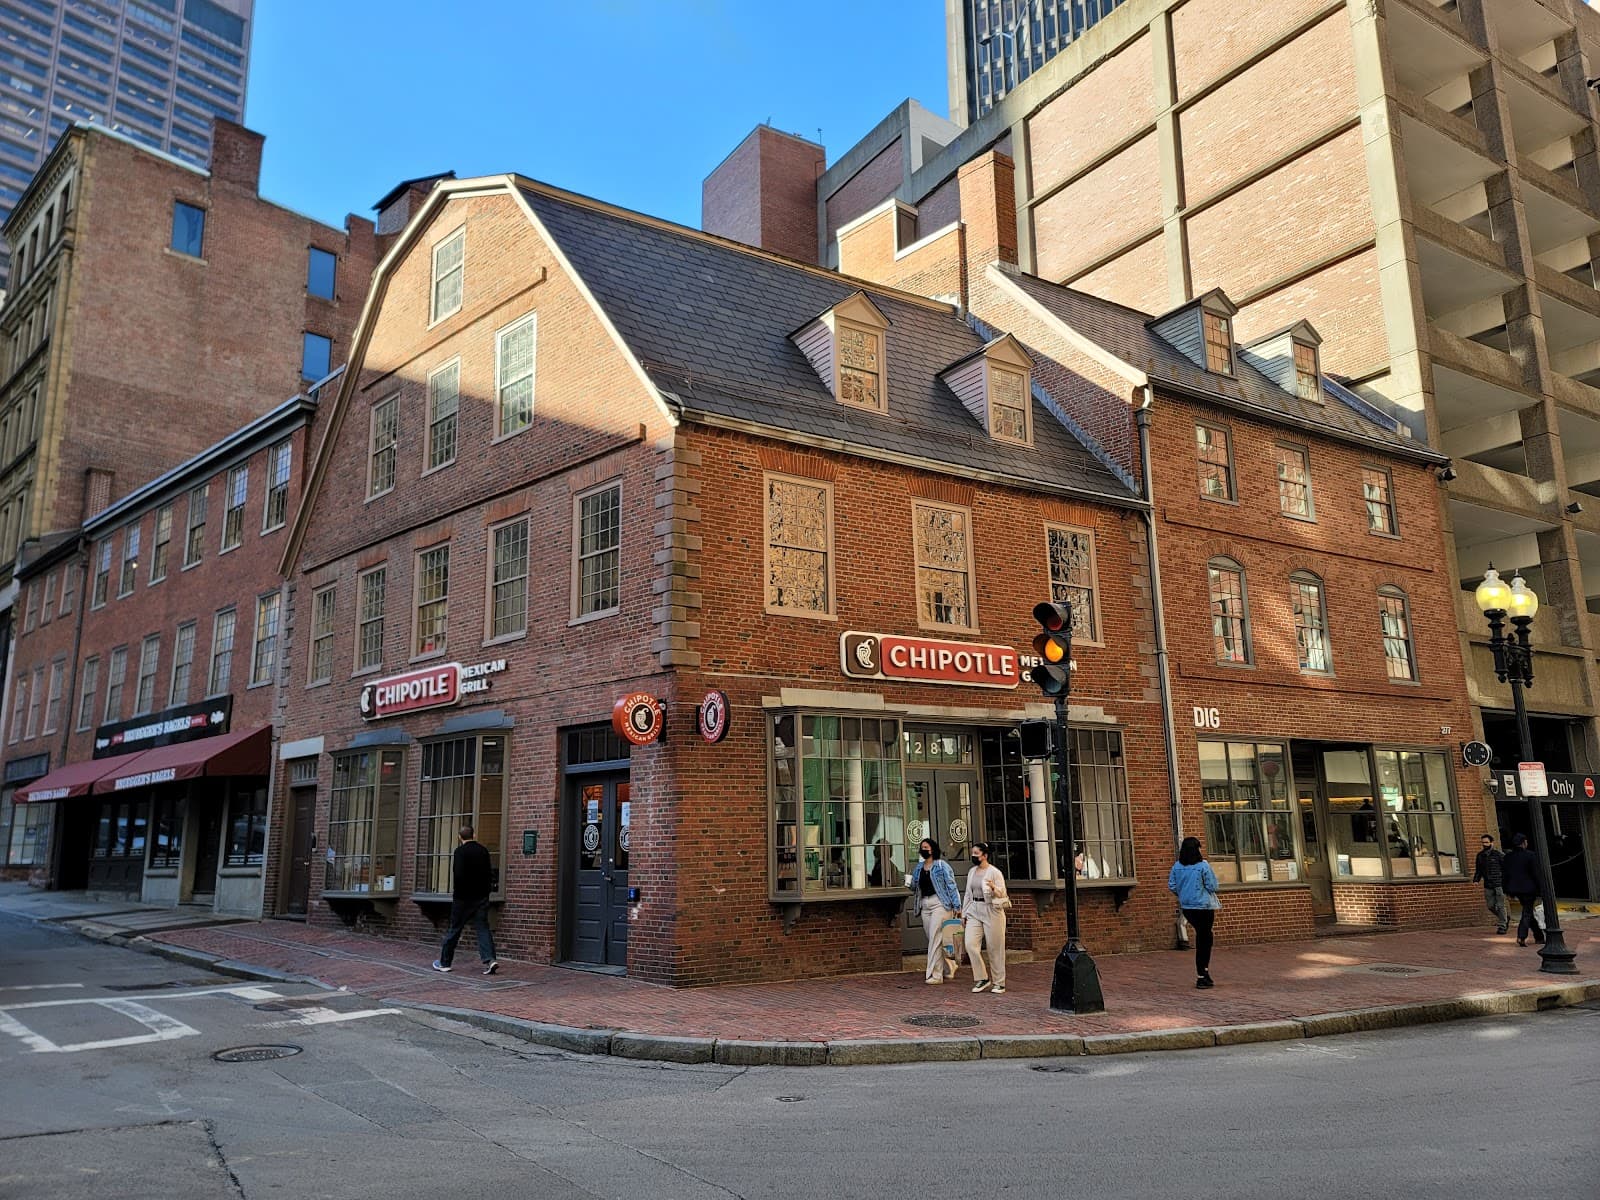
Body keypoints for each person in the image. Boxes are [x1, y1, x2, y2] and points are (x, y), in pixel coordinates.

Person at [432, 824, 499, 975]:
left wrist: (459, 894)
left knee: (454, 929)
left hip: (463, 898)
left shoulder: (460, 852)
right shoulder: (483, 851)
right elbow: (489, 873)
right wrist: (486, 892)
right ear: (474, 835)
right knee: (483, 928)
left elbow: (458, 875)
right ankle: (490, 959)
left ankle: (444, 962)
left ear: (460, 837)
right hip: (481, 897)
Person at [1167, 836, 1221, 989]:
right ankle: (1202, 974)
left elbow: (1172, 885)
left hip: (1188, 908)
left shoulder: (1177, 866)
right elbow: (1212, 886)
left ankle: (1204, 973)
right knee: (1205, 939)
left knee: (1203, 937)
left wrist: (1184, 894)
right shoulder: (1203, 866)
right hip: (1203, 906)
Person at [906, 837, 961, 984]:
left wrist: (957, 906)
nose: (924, 849)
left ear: (933, 849)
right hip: (925, 905)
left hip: (940, 904)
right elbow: (915, 888)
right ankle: (949, 965)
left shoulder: (941, 866)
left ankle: (935, 975)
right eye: (922, 847)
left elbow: (951, 885)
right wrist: (909, 882)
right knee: (933, 939)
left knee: (935, 938)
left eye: (927, 847)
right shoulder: (918, 867)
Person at [963, 842, 1009, 994]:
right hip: (974, 909)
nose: (973, 856)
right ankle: (982, 977)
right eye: (973, 853)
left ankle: (999, 982)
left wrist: (993, 888)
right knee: (970, 944)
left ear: (985, 855)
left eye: (976, 853)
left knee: (995, 947)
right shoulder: (971, 872)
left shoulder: (994, 872)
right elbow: (968, 894)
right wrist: (964, 913)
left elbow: (1003, 893)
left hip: (992, 910)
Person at [1502, 831, 1545, 947]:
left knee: (1528, 911)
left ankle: (1539, 936)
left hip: (1515, 889)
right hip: (1528, 888)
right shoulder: (1530, 855)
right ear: (1523, 843)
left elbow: (1505, 874)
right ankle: (1521, 936)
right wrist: (1541, 888)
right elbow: (1535, 873)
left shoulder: (1508, 857)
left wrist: (1506, 889)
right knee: (1527, 912)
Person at [1472, 833, 1509, 935]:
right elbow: (1478, 870)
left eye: (1486, 842)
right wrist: (1476, 880)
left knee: (1500, 905)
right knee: (1490, 906)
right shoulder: (1480, 856)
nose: (1484, 844)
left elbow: (1507, 867)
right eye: (1483, 842)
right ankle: (1504, 918)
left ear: (1492, 843)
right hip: (1488, 884)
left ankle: (1502, 925)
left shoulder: (1498, 855)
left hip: (1499, 884)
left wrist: (1505, 880)